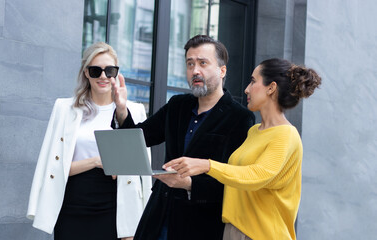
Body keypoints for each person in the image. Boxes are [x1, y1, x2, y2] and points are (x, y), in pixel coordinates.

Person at [111, 35, 255, 240]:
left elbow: (236, 182)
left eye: (203, 63)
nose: (195, 70)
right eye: (190, 64)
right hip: (159, 217)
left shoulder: (240, 118)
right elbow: (138, 140)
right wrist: (122, 109)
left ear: (222, 71)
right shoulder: (177, 105)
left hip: (200, 226)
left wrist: (189, 184)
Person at [164, 58, 322, 240]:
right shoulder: (255, 131)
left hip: (262, 235)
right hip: (235, 230)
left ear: (271, 88)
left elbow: (257, 175)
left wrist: (207, 166)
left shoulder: (286, 135)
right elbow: (237, 175)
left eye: (253, 81)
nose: (247, 89)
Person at [26, 42, 151, 240]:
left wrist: (137, 222)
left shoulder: (133, 111)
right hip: (73, 204)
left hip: (115, 206)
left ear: (117, 74)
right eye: (95, 70)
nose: (103, 76)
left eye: (109, 71)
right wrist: (95, 161)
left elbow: (140, 170)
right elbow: (53, 167)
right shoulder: (65, 108)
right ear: (86, 73)